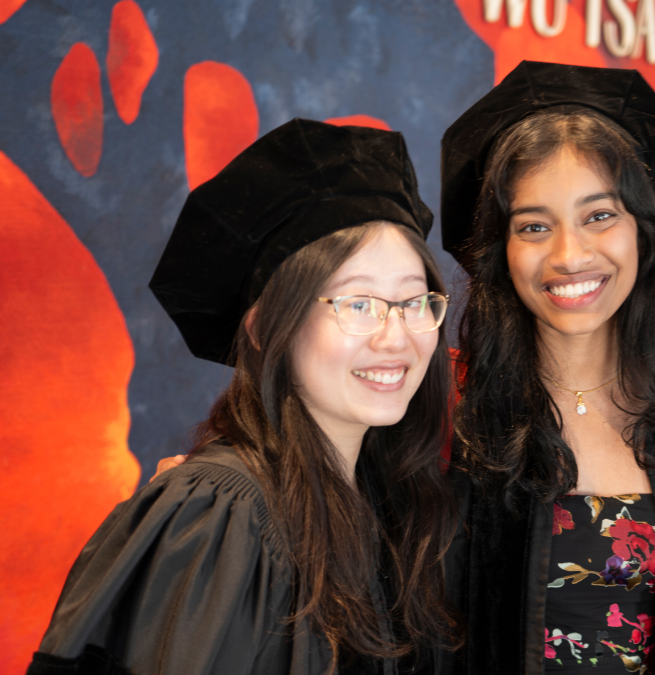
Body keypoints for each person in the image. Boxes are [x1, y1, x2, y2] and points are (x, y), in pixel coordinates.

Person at [28, 120, 459, 675]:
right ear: (263, 327)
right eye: (358, 304)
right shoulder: (223, 513)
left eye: (414, 301)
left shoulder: (388, 504)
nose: (395, 336)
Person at [438, 61, 655, 675]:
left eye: (599, 215)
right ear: (500, 251)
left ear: (643, 228)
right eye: (534, 226)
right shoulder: (452, 416)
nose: (569, 255)